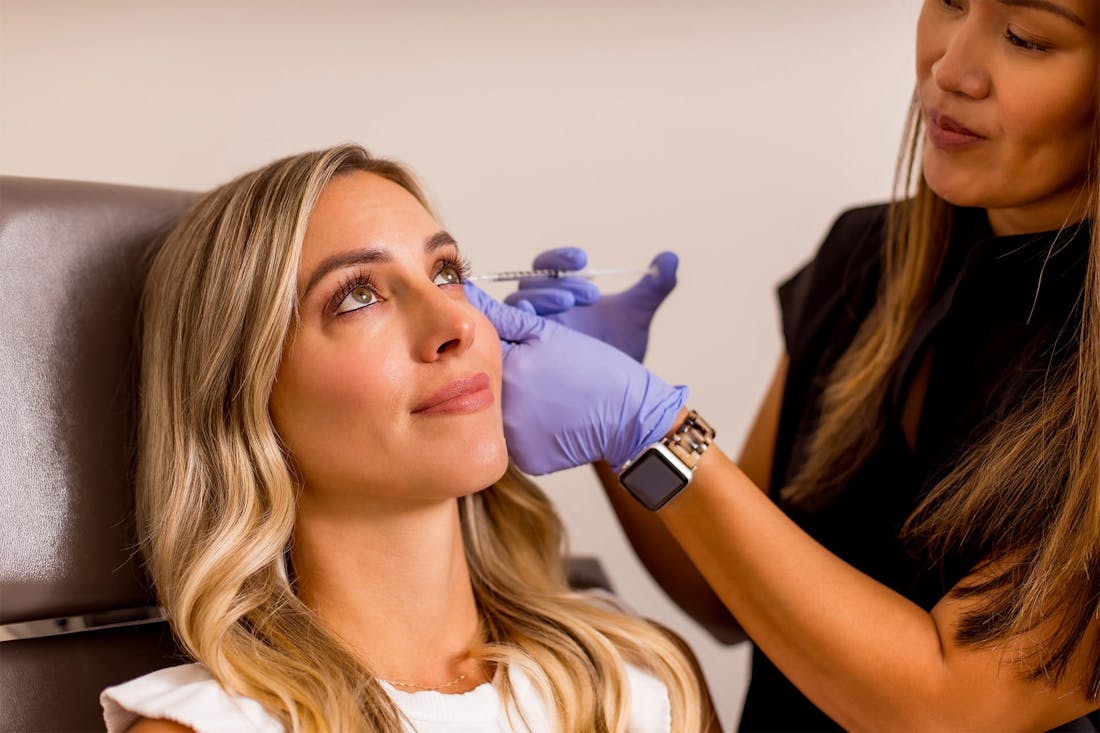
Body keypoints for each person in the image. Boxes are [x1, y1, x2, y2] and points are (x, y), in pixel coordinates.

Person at [466, 0, 1100, 729]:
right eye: (950, 2)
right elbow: (728, 592)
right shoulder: (863, 260)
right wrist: (616, 429)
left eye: (1026, 38)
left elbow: (948, 706)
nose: (949, 69)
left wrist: (653, 426)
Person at [98, 144, 718, 733]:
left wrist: (650, 428)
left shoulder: (640, 685)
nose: (458, 324)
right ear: (244, 394)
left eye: (447, 273)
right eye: (358, 296)